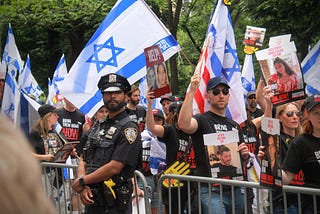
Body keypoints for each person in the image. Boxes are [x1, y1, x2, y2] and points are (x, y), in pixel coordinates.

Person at [178, 74, 249, 214]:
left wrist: (245, 155)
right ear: (208, 96)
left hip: (235, 188)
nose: (221, 95)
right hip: (211, 189)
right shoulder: (202, 120)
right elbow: (184, 124)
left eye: (225, 91)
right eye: (216, 92)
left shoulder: (234, 125)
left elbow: (242, 162)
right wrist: (191, 91)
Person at [72, 73, 142, 214]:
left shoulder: (129, 128)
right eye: (108, 93)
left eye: (117, 92)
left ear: (126, 96)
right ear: (103, 96)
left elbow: (114, 167)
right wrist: (83, 185)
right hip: (92, 198)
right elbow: (83, 159)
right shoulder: (98, 126)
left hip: (114, 204)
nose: (112, 96)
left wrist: (82, 182)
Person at [146, 91, 197, 214]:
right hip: (174, 180)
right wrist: (149, 105)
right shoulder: (170, 131)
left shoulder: (195, 130)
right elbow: (152, 128)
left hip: (194, 180)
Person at [0, 115, 56, 214]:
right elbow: (27, 152)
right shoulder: (35, 133)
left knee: (54, 199)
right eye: (54, 114)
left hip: (54, 170)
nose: (57, 116)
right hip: (42, 171)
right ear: (48, 117)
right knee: (44, 196)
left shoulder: (56, 132)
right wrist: (44, 157)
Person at [281, 94, 320, 213]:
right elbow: (286, 178)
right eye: (316, 113)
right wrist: (270, 159)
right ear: (307, 115)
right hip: (313, 207)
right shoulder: (300, 143)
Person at [134, 108, 166, 214]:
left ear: (163, 122)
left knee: (158, 209)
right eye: (152, 119)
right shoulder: (138, 137)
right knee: (143, 209)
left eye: (158, 120)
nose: (155, 122)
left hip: (160, 179)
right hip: (143, 178)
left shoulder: (166, 139)